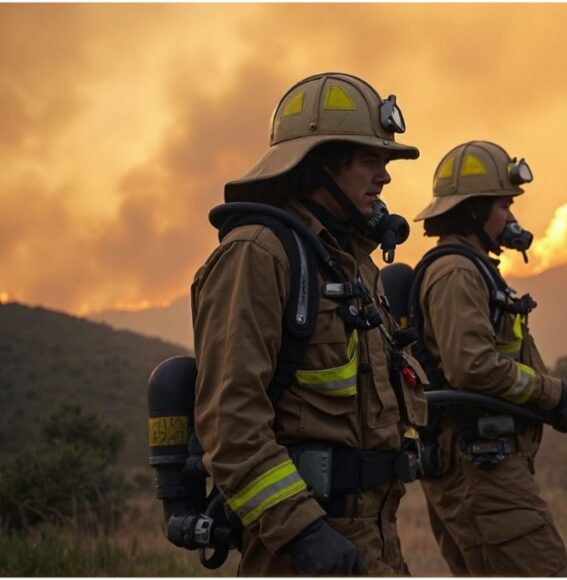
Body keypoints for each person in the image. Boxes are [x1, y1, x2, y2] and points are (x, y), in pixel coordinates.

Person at [191, 72, 426, 576]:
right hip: (300, 551)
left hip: (375, 542)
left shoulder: (354, 264)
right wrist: (304, 534)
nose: (384, 177)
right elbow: (230, 424)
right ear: (319, 164)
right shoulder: (257, 254)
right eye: (370, 161)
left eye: (385, 162)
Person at [412, 140, 567, 576]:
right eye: (504, 205)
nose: (513, 218)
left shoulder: (472, 269)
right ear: (474, 211)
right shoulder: (458, 273)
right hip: (482, 473)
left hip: (485, 467)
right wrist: (555, 394)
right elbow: (472, 366)